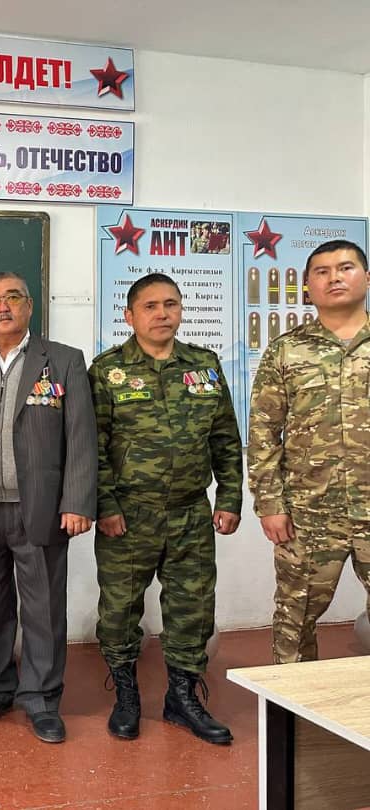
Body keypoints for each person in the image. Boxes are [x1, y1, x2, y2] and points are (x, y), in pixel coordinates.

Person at [88, 271, 242, 745]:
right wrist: (105, 504)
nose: (162, 314)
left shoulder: (204, 366)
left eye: (170, 304)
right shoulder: (108, 371)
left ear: (181, 310)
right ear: (129, 315)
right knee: (119, 610)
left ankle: (182, 697)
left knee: (192, 608)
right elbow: (92, 447)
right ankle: (126, 695)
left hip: (191, 513)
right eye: (150, 306)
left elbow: (225, 438)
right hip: (129, 515)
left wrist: (230, 497)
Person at [0, 272, 96, 743]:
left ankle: (41, 698)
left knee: (44, 609)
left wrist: (77, 501)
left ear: (29, 306)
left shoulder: (62, 360)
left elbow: (81, 436)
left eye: (12, 297)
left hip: (40, 506)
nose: (3, 306)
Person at [248, 239, 370, 663]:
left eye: (345, 268)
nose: (334, 277)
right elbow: (263, 431)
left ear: (367, 277)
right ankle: (291, 704)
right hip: (308, 513)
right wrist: (270, 504)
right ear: (308, 286)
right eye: (322, 271)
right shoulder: (287, 350)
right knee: (295, 619)